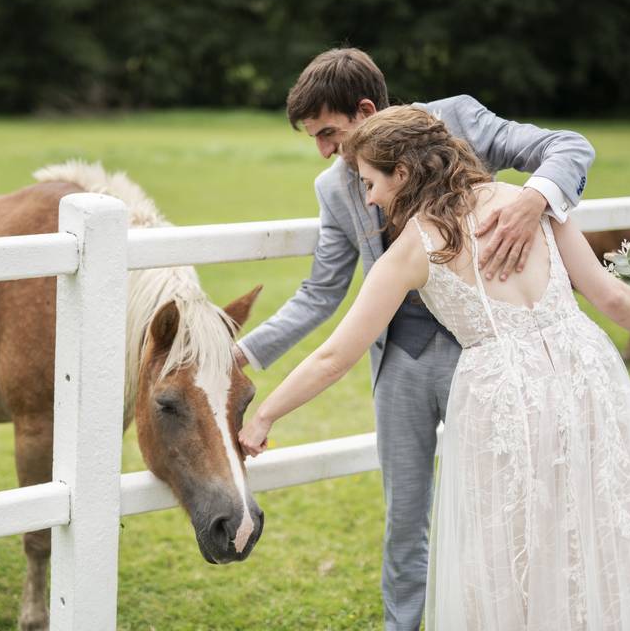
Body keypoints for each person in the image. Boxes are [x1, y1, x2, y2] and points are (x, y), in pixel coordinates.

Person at [239, 105, 630, 630]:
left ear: (405, 174)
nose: (367, 197)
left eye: (370, 182)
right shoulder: (528, 204)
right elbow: (611, 297)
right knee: (593, 524)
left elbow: (335, 355)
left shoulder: (415, 247)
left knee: (511, 547)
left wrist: (264, 416)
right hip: (585, 373)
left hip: (504, 397)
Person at [232, 47, 594, 630]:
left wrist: (532, 201)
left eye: (328, 133)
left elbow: (569, 147)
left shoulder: (459, 122)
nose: (324, 152)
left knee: (503, 505)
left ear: (367, 109)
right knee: (405, 517)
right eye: (315, 140)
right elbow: (321, 294)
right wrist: (238, 353)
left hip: (485, 353)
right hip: (399, 363)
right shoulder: (334, 189)